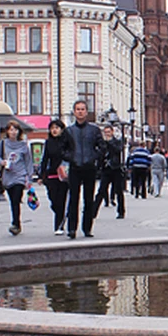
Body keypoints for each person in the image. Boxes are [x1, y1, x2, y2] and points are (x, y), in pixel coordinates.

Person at [61, 99, 104, 239]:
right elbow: (62, 149)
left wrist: (94, 157)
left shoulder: (94, 130)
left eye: (82, 109)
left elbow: (102, 147)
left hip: (89, 167)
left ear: (86, 112)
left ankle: (87, 228)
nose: (80, 111)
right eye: (78, 109)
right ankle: (72, 228)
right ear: (74, 112)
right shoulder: (69, 131)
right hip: (75, 167)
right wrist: (71, 158)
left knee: (88, 199)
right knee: (73, 199)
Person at [0, 120, 34, 236]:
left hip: (20, 175)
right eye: (11, 130)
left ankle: (16, 224)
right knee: (12, 200)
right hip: (8, 176)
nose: (13, 132)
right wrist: (1, 162)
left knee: (16, 199)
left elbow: (28, 161)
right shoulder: (3, 144)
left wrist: (29, 177)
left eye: (15, 130)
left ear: (19, 132)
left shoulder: (23, 145)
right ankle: (16, 222)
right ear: (7, 131)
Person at [39, 119, 69, 234]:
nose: (54, 130)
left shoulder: (67, 142)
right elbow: (45, 159)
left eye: (57, 128)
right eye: (52, 128)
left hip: (63, 174)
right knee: (53, 199)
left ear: (62, 130)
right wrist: (41, 175)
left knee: (61, 200)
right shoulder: (48, 143)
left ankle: (59, 226)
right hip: (51, 174)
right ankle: (60, 214)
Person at [93, 125, 126, 220]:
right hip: (105, 169)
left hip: (116, 168)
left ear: (112, 132)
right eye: (105, 132)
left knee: (119, 191)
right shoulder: (102, 143)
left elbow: (118, 150)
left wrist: (109, 142)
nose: (107, 134)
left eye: (108, 132)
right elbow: (100, 154)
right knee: (101, 190)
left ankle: (121, 212)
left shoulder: (117, 141)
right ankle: (93, 212)